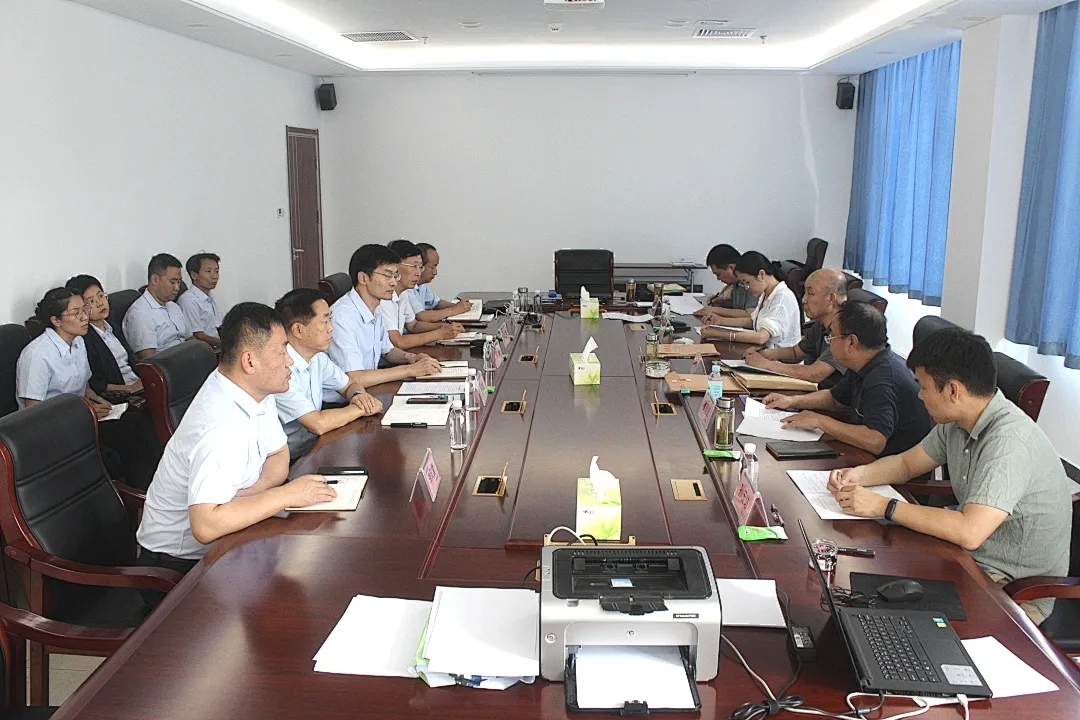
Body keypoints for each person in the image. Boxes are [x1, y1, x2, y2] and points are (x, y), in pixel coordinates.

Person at [827, 327, 1072, 624]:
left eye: (923, 387)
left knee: (879, 614)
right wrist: (857, 475)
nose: (919, 395)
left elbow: (970, 531)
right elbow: (906, 464)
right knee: (861, 588)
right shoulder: (957, 422)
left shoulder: (1009, 442)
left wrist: (883, 506)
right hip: (966, 559)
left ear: (953, 390)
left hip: (1009, 590)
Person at [135, 302, 340, 586]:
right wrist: (285, 495)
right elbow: (206, 526)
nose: (290, 361)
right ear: (249, 362)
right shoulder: (220, 426)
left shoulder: (255, 390)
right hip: (181, 567)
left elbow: (279, 454)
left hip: (233, 535)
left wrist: (246, 498)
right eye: (282, 351)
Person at [17, 287, 162, 488]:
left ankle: (150, 489)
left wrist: (102, 403)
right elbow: (33, 413)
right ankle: (140, 494)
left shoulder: (78, 342)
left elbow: (83, 385)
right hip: (54, 429)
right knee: (132, 432)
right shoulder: (37, 355)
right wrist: (87, 411)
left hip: (82, 417)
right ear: (56, 321)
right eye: (76, 313)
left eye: (84, 310)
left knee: (142, 421)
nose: (84, 317)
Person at [763, 301, 931, 457]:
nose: (829, 342)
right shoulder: (864, 362)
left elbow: (875, 440)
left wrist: (821, 421)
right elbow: (834, 399)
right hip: (866, 456)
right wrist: (791, 401)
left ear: (851, 343)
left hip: (890, 468)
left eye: (832, 337)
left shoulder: (884, 380)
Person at [274, 288, 384, 459]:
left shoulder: (317, 357)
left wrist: (358, 395)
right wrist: (363, 408)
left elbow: (349, 384)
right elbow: (317, 424)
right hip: (291, 461)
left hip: (316, 447)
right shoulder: (280, 369)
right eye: (324, 321)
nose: (331, 328)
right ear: (298, 330)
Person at [328, 244, 442, 387]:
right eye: (387, 276)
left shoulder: (375, 308)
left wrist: (411, 358)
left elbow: (387, 350)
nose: (394, 282)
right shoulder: (342, 317)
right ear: (363, 278)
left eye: (395, 275)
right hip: (345, 397)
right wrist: (409, 370)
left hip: (370, 388)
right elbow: (355, 377)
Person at [744, 268, 849, 388]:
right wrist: (763, 354)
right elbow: (795, 353)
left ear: (831, 299)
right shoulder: (820, 324)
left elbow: (814, 373)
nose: (804, 299)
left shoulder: (845, 329)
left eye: (810, 293)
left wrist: (766, 365)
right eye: (805, 293)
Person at [700, 251, 801, 349]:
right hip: (764, 352)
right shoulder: (767, 293)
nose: (747, 287)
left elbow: (761, 337)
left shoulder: (781, 298)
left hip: (778, 357)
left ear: (761, 274)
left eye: (747, 282)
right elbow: (753, 321)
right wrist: (721, 321)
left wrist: (719, 334)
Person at [65, 274, 142, 396]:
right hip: (121, 394)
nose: (100, 303)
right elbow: (95, 384)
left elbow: (132, 360)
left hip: (138, 383)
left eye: (101, 296)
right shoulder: (83, 340)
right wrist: (130, 388)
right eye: (91, 301)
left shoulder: (113, 327)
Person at [381, 240, 463, 350]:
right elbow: (398, 342)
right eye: (413, 266)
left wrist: (443, 327)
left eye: (420, 267)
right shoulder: (384, 298)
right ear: (395, 266)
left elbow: (413, 325)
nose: (418, 273)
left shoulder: (403, 293)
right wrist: (440, 334)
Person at [124, 253, 191, 359]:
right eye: (172, 282)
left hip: (188, 357)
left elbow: (189, 338)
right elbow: (150, 361)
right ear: (155, 279)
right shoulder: (140, 314)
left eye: (179, 282)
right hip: (168, 364)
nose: (177, 288)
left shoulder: (173, 306)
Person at [695, 244, 759, 322]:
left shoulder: (751, 281)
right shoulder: (735, 283)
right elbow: (740, 308)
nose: (718, 279)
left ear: (731, 268)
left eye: (718, 274)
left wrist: (715, 310)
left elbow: (750, 314)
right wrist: (723, 303)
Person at [410, 242, 472, 322]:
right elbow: (422, 316)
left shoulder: (422, 285)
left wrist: (459, 306)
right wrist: (454, 310)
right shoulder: (407, 288)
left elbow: (436, 303)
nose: (435, 272)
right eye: (432, 267)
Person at [178, 252, 225, 349]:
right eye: (208, 271)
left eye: (216, 271)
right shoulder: (188, 300)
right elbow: (199, 336)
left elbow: (219, 325)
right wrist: (227, 344)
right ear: (194, 275)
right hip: (207, 349)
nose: (214, 276)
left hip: (219, 346)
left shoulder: (211, 296)